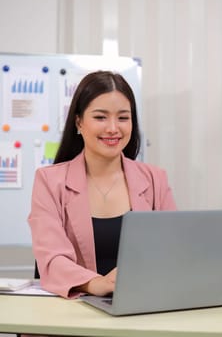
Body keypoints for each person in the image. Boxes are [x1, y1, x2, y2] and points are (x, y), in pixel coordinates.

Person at [27, 70, 177, 299]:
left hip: (141, 309)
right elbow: (52, 258)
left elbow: (173, 249)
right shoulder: (49, 181)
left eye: (123, 117)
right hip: (74, 314)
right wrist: (95, 283)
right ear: (79, 121)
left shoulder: (155, 179)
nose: (113, 128)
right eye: (100, 117)